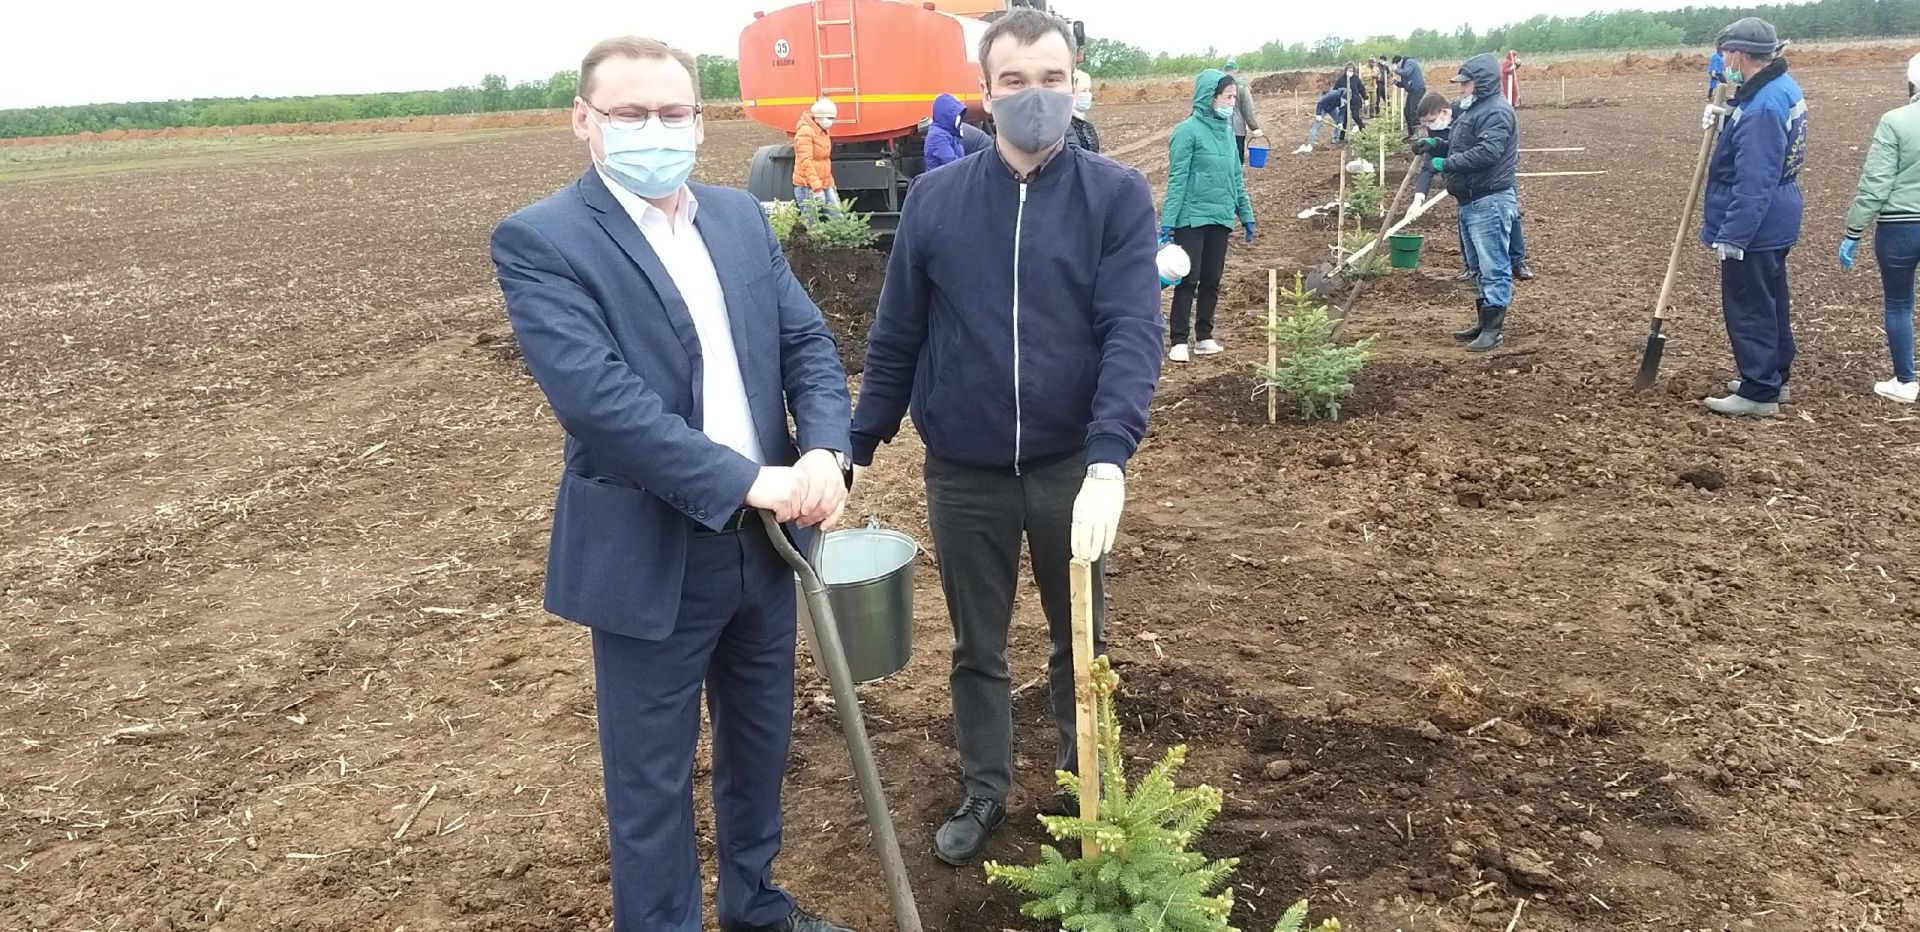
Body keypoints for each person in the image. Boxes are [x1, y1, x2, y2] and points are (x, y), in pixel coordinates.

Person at [490, 35, 855, 932]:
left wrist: (824, 454)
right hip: (653, 552)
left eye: (674, 112)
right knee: (651, 780)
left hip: (768, 548)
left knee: (761, 747)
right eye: (629, 114)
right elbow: (604, 408)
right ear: (585, 122)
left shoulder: (736, 219)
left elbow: (807, 344)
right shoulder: (543, 241)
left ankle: (758, 907)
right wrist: (750, 480)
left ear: (700, 120)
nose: (656, 129)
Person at [850, 9, 1163, 867]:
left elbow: (1131, 331)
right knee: (975, 647)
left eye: (1051, 79)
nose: (1034, 97)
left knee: (1081, 638)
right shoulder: (937, 200)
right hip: (966, 474)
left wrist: (1109, 458)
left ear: (1077, 84)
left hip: (1070, 466)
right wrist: (858, 443)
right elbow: (897, 334)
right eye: (1015, 81)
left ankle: (1083, 784)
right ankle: (986, 787)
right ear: (985, 94)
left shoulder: (1115, 197)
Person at [1700, 17, 1806, 417]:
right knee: (1771, 299)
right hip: (1778, 215)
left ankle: (1759, 389)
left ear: (1739, 54)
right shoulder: (1778, 88)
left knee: (1749, 304)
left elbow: (1755, 178)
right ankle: (1774, 376)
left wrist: (1734, 234)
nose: (1722, 60)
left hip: (1757, 223)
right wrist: (1728, 116)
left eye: (1725, 53)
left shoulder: (1763, 106)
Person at [1420, 54, 1519, 352]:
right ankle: (1484, 321)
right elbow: (1461, 143)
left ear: (1482, 82)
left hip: (1489, 199)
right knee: (1477, 265)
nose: (1461, 89)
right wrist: (1434, 144)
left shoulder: (1497, 112)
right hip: (1470, 200)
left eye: (1465, 83)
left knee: (1493, 266)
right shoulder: (1474, 109)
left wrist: (1445, 163)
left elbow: (1487, 153)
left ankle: (1493, 330)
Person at [1839, 56, 1920, 404]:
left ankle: (1905, 382)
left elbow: (1876, 183)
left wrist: (1853, 231)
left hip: (1899, 228)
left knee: (1899, 304)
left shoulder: (1895, 121)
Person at [1164, 67, 1257, 362]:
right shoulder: (1186, 132)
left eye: (1234, 97)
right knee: (1187, 279)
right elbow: (1177, 179)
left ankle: (1204, 336)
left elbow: (1236, 178)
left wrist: (1246, 213)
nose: (1232, 102)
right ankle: (1179, 340)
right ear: (1210, 97)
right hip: (1191, 218)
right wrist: (1168, 222)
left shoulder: (1228, 135)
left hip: (1220, 216)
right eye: (1228, 97)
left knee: (1212, 280)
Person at [1412, 90, 1536, 283]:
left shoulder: (1467, 116)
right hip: (1463, 181)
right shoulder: (1436, 129)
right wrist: (1418, 199)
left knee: (1511, 216)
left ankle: (1518, 261)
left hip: (1495, 175)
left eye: (1430, 120)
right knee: (1465, 217)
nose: (1429, 126)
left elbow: (1483, 150)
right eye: (1425, 123)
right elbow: (1428, 166)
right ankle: (1471, 267)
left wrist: (1446, 162)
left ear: (1444, 112)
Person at [792, 97, 840, 218]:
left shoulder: (823, 132)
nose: (831, 122)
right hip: (807, 187)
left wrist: (831, 185)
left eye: (833, 118)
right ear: (818, 117)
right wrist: (817, 188)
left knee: (838, 217)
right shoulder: (805, 133)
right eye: (829, 118)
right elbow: (806, 162)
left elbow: (824, 161)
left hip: (824, 184)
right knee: (811, 223)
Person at [1223, 58, 1265, 164]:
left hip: (1221, 127)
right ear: (1236, 70)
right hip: (1238, 130)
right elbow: (1247, 109)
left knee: (1224, 156)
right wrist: (1254, 127)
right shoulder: (1241, 86)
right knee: (1237, 159)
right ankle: (1237, 178)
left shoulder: (1218, 84)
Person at [1296, 83, 1350, 153]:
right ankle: (1311, 142)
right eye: (1344, 100)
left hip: (1332, 108)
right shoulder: (1333, 94)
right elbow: (1320, 103)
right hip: (1323, 107)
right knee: (1318, 123)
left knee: (1338, 122)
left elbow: (1341, 112)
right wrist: (1318, 114)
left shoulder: (1345, 101)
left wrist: (1340, 122)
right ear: (1341, 97)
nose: (1344, 102)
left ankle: (1336, 138)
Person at [925, 92, 967, 171]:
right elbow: (952, 163)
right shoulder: (937, 137)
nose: (959, 119)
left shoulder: (949, 133)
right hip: (939, 181)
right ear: (947, 116)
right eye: (956, 115)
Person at [1393, 54, 1427, 140]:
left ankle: (1418, 133)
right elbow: (1405, 83)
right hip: (1412, 91)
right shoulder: (1404, 67)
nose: (1397, 67)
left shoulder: (1410, 62)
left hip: (1418, 89)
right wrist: (1397, 83)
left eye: (1396, 65)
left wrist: (1396, 70)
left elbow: (1406, 73)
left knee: (1413, 110)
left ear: (1398, 62)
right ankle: (1411, 133)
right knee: (1407, 111)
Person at [1069, 68, 1102, 153]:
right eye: (1083, 90)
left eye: (1089, 90)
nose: (1088, 95)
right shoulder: (1067, 128)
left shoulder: (1080, 121)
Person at [1342, 62, 1369, 135]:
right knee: (1344, 119)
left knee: (1355, 116)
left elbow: (1362, 89)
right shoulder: (1341, 80)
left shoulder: (1356, 79)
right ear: (1345, 70)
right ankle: (1341, 136)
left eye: (1351, 71)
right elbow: (1336, 90)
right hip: (1344, 101)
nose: (1350, 72)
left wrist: (1365, 98)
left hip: (1355, 100)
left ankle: (1364, 132)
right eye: (1348, 70)